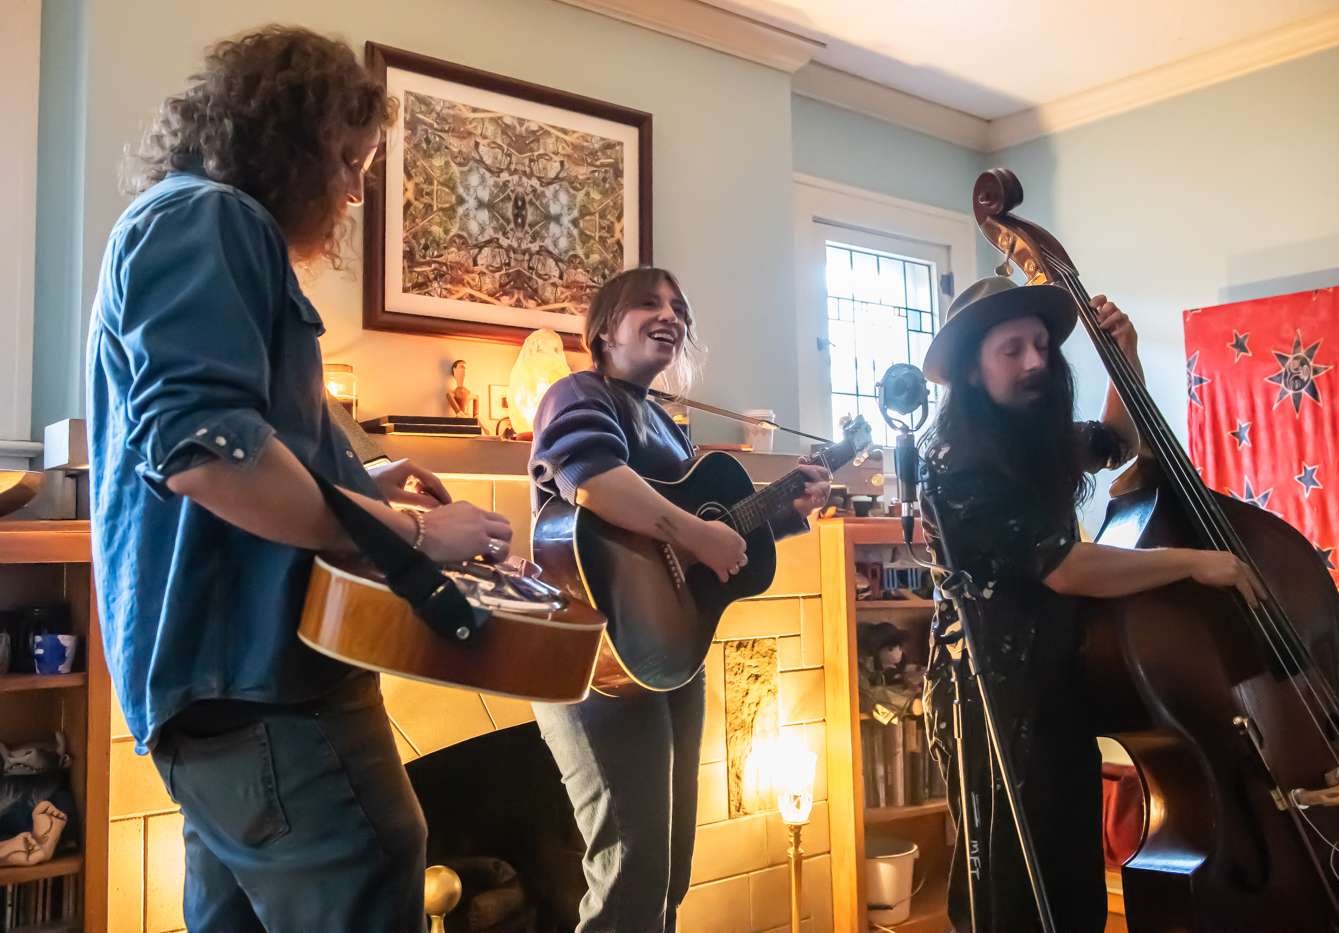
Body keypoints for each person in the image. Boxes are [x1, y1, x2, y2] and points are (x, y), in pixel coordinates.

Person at [87, 27, 512, 933]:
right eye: (349, 161)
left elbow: (241, 444)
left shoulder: (176, 220)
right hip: (264, 682)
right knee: (377, 862)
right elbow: (208, 455)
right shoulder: (213, 217)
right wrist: (419, 535)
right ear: (287, 136)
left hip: (217, 697)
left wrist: (358, 475)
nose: (355, 191)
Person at [919, 275, 1260, 932]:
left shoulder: (1030, 436)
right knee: (1010, 899)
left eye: (1042, 345)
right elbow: (1064, 567)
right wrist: (1194, 562)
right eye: (1012, 349)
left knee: (1074, 893)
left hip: (1056, 692)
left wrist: (1123, 356)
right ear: (970, 370)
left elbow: (1116, 442)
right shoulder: (954, 461)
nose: (1036, 361)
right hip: (992, 706)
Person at [528, 267, 831, 932]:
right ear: (605, 328)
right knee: (630, 871)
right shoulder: (578, 393)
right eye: (649, 304)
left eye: (679, 309)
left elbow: (704, 545)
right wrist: (697, 532)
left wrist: (785, 512)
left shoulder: (669, 427)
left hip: (668, 655)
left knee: (670, 869)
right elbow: (592, 479)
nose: (671, 316)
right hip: (594, 658)